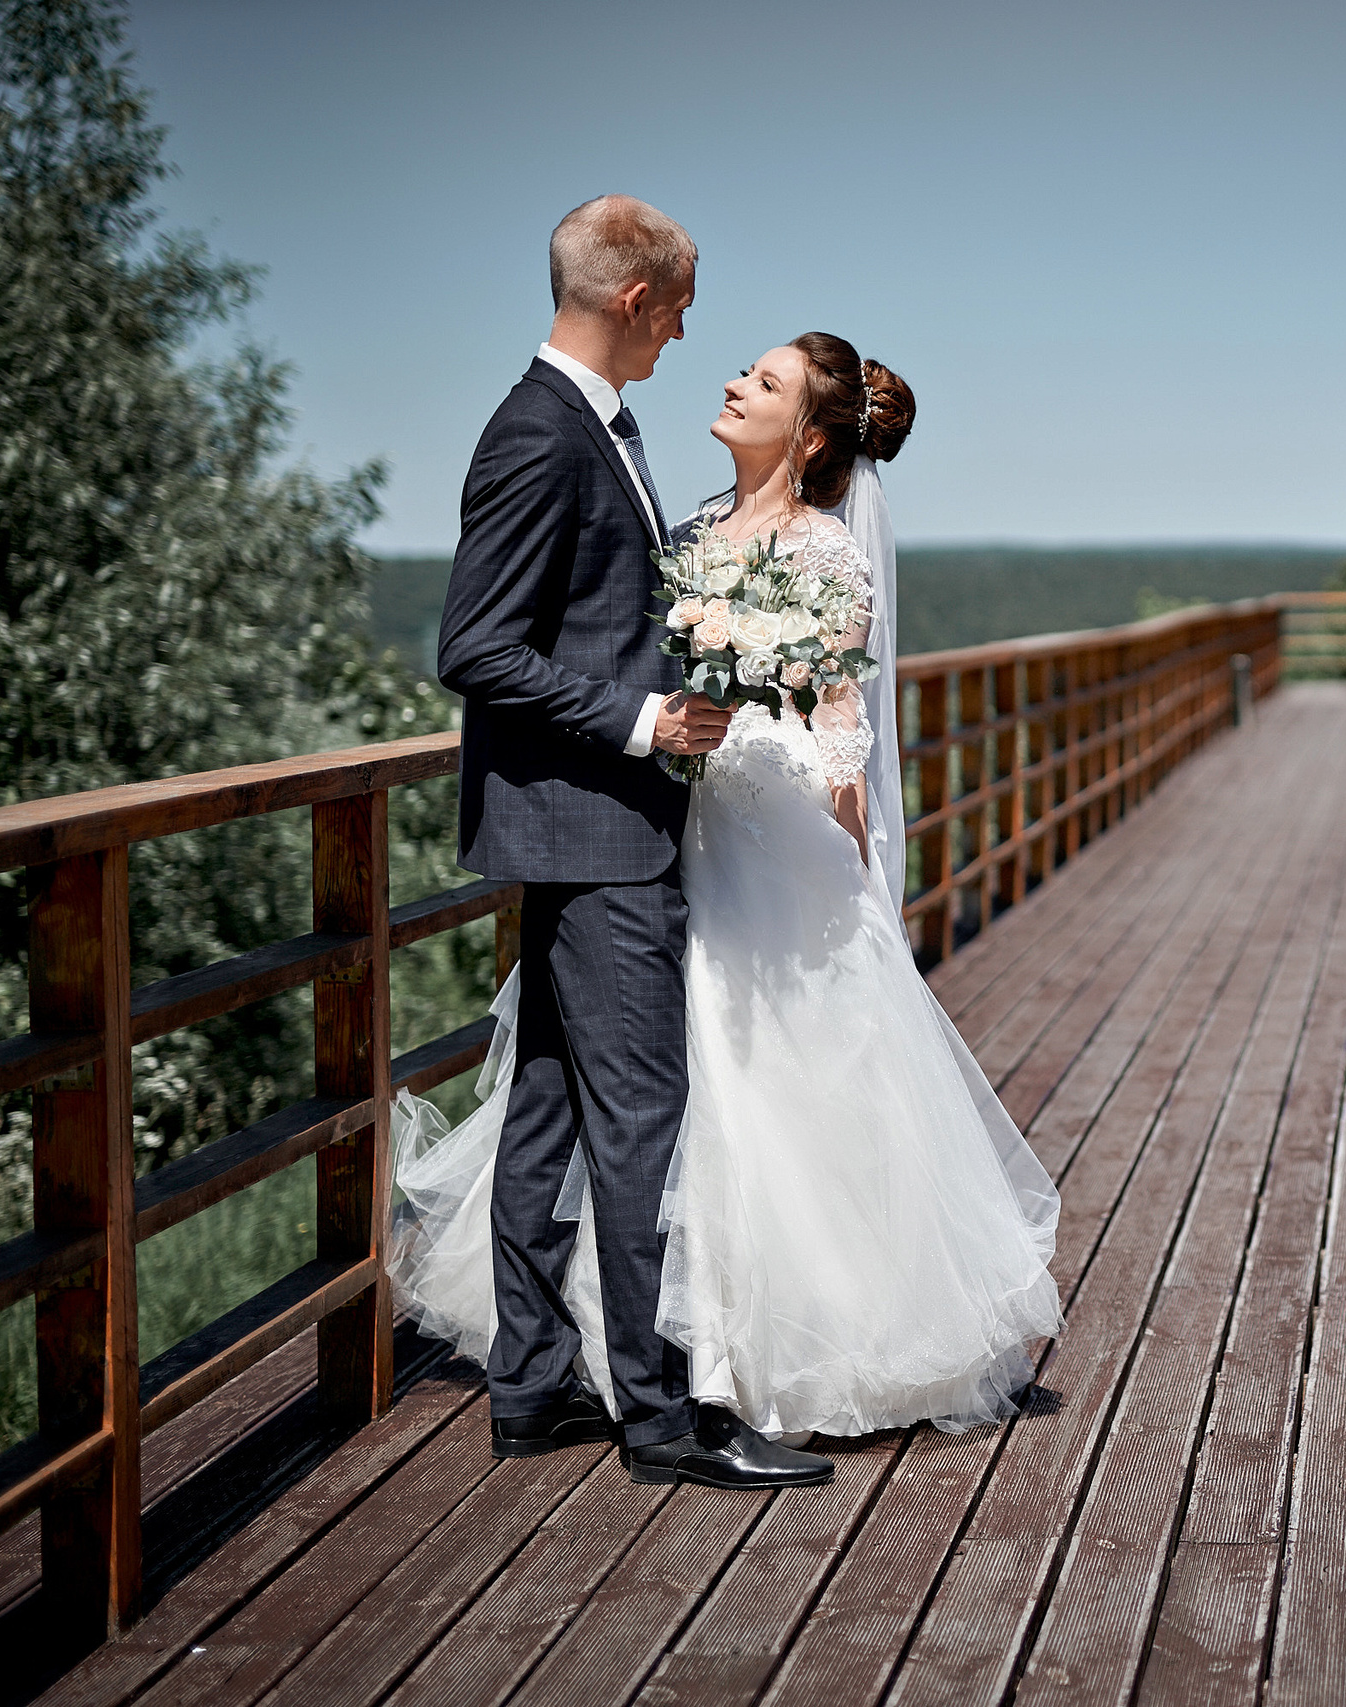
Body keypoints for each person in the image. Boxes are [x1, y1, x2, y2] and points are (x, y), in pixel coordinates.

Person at [405, 304, 1064, 1455]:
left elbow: (843, 719)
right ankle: (636, 1365)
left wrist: (809, 783)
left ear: (809, 436)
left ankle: (747, 1352)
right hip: (649, 818)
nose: (735, 387)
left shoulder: (827, 551)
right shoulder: (695, 518)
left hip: (755, 830)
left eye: (761, 382)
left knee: (737, 1089)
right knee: (629, 1098)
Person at [431, 195, 834, 1489]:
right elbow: (476, 646)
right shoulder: (542, 435)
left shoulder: (582, 422)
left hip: (584, 822)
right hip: (600, 829)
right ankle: (662, 1416)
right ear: (633, 301)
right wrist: (643, 712)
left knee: (546, 1106)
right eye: (684, 306)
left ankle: (531, 1383)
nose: (690, 332)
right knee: (641, 1117)